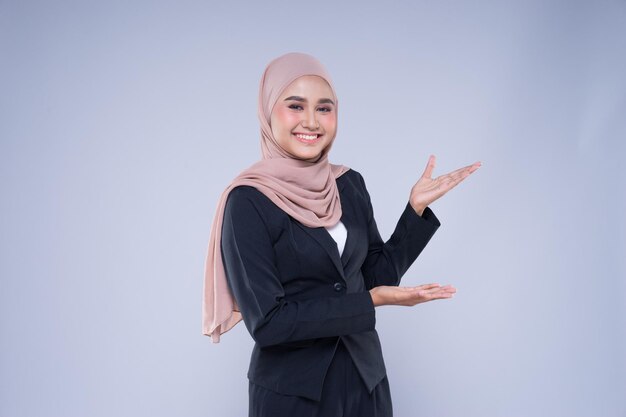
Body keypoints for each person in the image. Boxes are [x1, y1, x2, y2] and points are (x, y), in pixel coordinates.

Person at [202, 52, 481, 417]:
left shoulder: (348, 184)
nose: (311, 121)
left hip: (366, 383)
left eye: (324, 108)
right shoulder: (248, 201)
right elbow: (268, 323)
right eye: (295, 106)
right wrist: (370, 302)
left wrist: (414, 212)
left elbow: (374, 277)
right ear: (268, 111)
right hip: (293, 396)